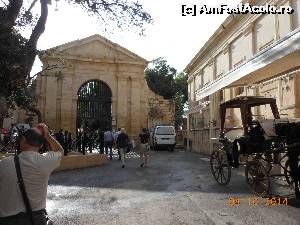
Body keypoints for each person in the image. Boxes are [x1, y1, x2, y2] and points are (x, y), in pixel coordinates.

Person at [0, 123, 63, 225]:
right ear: (41, 145)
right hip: (35, 219)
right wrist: (47, 135)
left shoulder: (4, 164)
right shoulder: (45, 162)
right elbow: (60, 151)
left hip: (6, 220)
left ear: (23, 140)